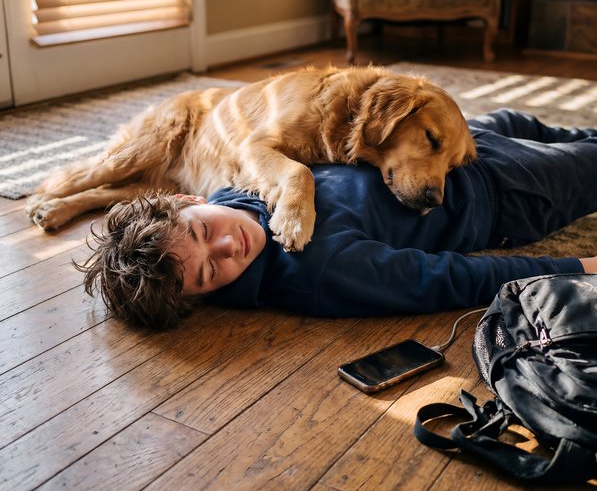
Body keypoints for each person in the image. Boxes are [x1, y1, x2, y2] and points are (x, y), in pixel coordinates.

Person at [78, 109, 597, 329]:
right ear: (206, 295)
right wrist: (579, 266)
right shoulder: (319, 271)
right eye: (211, 271)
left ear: (188, 200)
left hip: (446, 148)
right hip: (499, 191)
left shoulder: (238, 190)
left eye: (204, 232)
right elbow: (447, 280)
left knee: (521, 121)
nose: (228, 247)